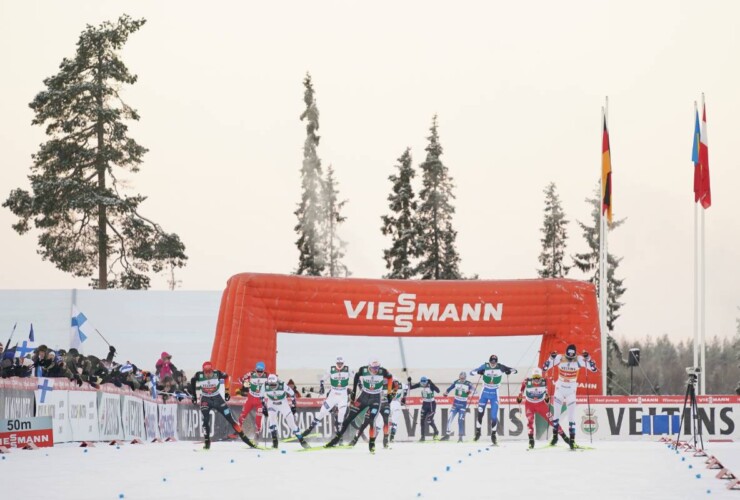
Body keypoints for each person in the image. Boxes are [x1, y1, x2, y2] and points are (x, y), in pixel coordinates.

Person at [325, 360, 392, 453]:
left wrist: (389, 393)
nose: (376, 370)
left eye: (377, 368)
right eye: (373, 368)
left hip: (376, 399)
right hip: (363, 397)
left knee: (372, 420)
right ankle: (336, 439)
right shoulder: (363, 370)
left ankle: (371, 444)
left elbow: (390, 378)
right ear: (369, 366)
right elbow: (356, 376)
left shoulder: (382, 371)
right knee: (348, 419)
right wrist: (354, 392)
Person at [189, 361, 257, 450]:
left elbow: (227, 377)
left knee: (231, 419)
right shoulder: (199, 375)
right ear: (203, 371)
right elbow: (192, 381)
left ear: (212, 370)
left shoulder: (217, 373)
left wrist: (227, 392)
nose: (208, 374)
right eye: (206, 372)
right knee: (205, 421)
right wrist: (194, 396)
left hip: (217, 399)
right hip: (205, 399)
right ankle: (207, 442)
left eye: (210, 372)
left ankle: (246, 440)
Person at [542, 344, 598, 449]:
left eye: (572, 357)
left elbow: (594, 369)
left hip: (571, 391)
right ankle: (554, 438)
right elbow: (544, 368)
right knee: (556, 415)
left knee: (571, 417)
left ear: (575, 355)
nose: (570, 359)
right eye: (568, 357)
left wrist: (588, 358)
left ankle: (572, 441)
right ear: (566, 353)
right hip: (559, 389)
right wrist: (550, 358)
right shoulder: (559, 357)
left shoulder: (579, 359)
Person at [516, 367, 570, 448]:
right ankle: (531, 440)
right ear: (532, 377)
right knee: (530, 421)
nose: (536, 380)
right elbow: (520, 394)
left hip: (541, 404)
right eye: (535, 378)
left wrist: (547, 398)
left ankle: (565, 437)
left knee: (552, 420)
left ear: (541, 377)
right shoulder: (527, 381)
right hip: (529, 404)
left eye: (538, 378)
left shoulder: (545, 382)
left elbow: (547, 398)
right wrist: (519, 398)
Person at [469, 354, 517, 445]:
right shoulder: (485, 366)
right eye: (491, 362)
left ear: (497, 362)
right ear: (489, 361)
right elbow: (471, 373)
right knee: (480, 413)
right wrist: (479, 372)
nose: (493, 364)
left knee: (494, 416)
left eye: (495, 362)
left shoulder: (500, 367)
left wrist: (509, 371)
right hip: (484, 393)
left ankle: (493, 435)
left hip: (495, 393)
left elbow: (515, 371)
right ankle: (478, 432)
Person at [303, 356, 352, 438]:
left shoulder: (348, 370)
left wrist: (361, 384)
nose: (339, 365)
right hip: (333, 395)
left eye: (341, 363)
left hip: (343, 395)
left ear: (344, 363)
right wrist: (322, 386)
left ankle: (339, 436)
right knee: (322, 412)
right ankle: (309, 429)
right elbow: (322, 379)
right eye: (338, 363)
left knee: (341, 414)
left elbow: (357, 377)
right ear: (335, 363)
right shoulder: (331, 370)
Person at [263, 374, 309, 449]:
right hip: (272, 403)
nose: (272, 386)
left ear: (277, 381)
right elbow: (261, 396)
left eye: (274, 384)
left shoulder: (282, 384)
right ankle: (275, 443)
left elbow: (292, 393)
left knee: (291, 423)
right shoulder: (265, 385)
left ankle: (302, 441)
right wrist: (264, 406)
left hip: (283, 404)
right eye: (270, 384)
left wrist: (294, 405)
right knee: (272, 420)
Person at [238, 361, 269, 438]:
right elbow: (240, 380)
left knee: (258, 417)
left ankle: (257, 433)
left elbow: (273, 383)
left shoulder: (267, 376)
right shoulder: (250, 374)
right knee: (243, 414)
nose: (259, 372)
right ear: (255, 369)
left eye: (261, 371)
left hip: (260, 400)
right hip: (250, 398)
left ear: (264, 370)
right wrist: (250, 385)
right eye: (258, 370)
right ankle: (237, 430)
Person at [441, 371, 475, 442]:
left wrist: (470, 391)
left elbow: (474, 390)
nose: (462, 379)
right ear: (459, 377)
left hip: (463, 405)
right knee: (449, 418)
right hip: (455, 404)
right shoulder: (456, 382)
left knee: (460, 420)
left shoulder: (468, 383)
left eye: (463, 378)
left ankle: (460, 437)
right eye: (461, 378)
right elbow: (450, 388)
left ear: (465, 378)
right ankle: (447, 435)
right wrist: (446, 393)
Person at [408, 376, 441, 441]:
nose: (423, 385)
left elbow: (438, 391)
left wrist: (432, 383)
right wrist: (409, 381)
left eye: (425, 384)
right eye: (422, 384)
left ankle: (436, 432)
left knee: (429, 420)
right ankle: (422, 437)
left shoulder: (430, 385)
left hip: (431, 404)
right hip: (424, 404)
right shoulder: (420, 384)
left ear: (427, 382)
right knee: (422, 420)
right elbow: (411, 388)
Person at [388, 378, 407, 443]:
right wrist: (404, 398)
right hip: (395, 403)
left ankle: (390, 436)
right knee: (393, 421)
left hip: (391, 403)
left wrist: (404, 398)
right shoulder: (402, 385)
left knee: (392, 421)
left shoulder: (390, 384)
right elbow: (406, 387)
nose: (396, 383)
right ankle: (391, 437)